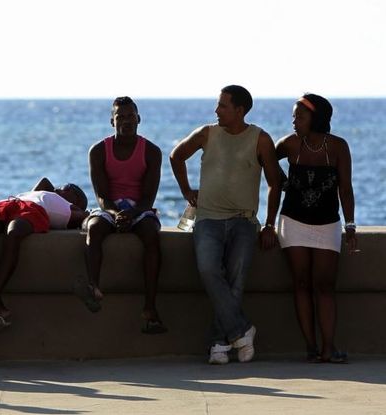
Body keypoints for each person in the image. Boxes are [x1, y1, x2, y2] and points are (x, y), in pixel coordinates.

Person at [169, 85, 282, 364]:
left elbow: (275, 183)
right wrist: (186, 191)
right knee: (208, 270)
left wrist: (269, 224)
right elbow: (176, 155)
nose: (216, 110)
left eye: (222, 106)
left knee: (236, 280)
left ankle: (219, 343)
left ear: (239, 110)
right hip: (208, 218)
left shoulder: (261, 139)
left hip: (244, 221)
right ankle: (243, 330)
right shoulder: (207, 133)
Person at [275, 93, 357, 363]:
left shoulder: (337, 147)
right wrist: (282, 180)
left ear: (316, 118)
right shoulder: (288, 144)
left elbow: (345, 189)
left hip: (327, 224)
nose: (294, 121)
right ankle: (311, 347)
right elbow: (265, 159)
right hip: (292, 222)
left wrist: (350, 225)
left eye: (300, 116)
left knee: (324, 286)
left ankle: (328, 348)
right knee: (300, 283)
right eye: (294, 116)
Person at [76, 96, 166, 334]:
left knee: (151, 235)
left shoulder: (151, 152)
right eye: (120, 117)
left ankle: (150, 307)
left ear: (139, 119)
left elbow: (149, 198)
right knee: (94, 229)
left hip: (139, 208)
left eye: (130, 116)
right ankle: (93, 286)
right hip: (111, 208)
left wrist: (132, 213)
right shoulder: (98, 151)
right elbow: (102, 196)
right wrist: (116, 213)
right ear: (111, 121)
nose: (126, 121)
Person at [0, 178, 88, 333]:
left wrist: (80, 210)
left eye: (69, 188)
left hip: (34, 210)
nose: (61, 188)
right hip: (8, 203)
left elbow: (84, 217)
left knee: (13, 234)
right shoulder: (47, 193)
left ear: (77, 200)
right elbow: (45, 181)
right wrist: (55, 192)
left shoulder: (69, 208)